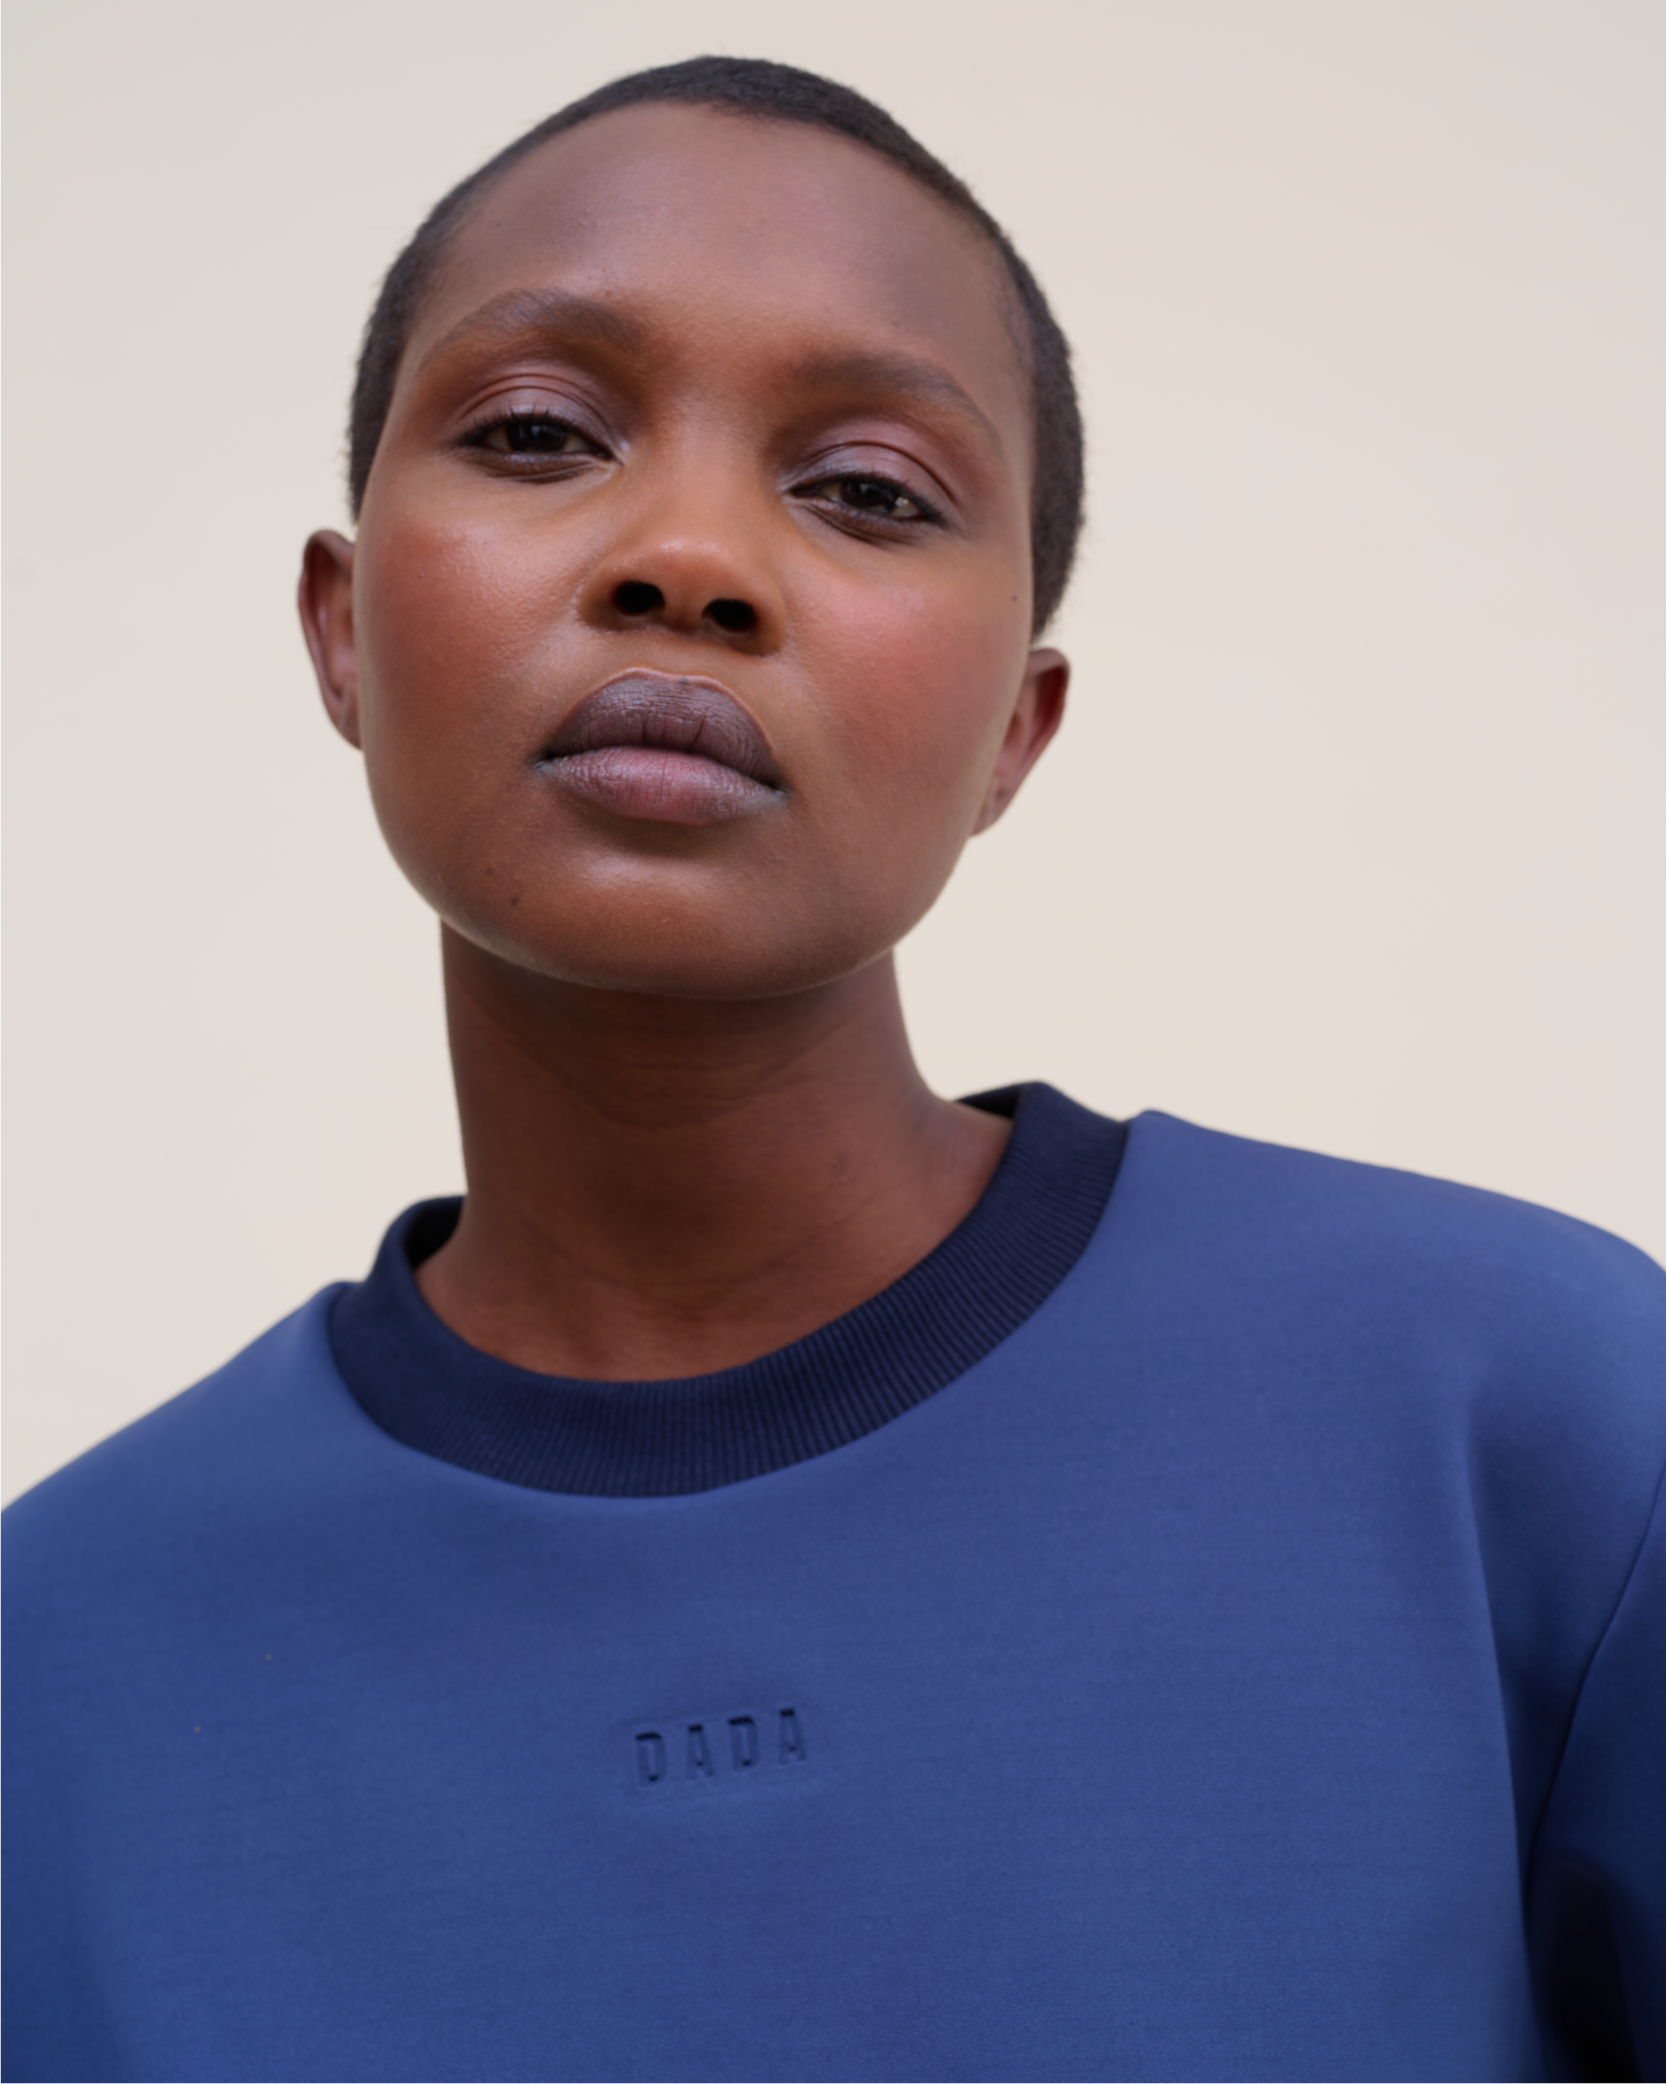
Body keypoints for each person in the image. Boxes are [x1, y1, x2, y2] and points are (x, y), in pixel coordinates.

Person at [3, 55, 1660, 2084]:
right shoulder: (49, 1668)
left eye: (868, 488)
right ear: (341, 631)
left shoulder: (1534, 1426)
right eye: (537, 433)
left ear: (1012, 733)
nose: (686, 557)